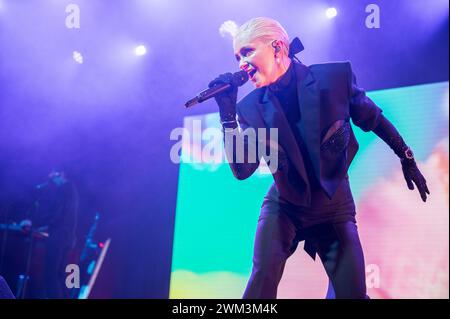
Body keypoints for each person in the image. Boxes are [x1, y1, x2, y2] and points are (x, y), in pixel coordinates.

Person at [209, 17, 429, 299]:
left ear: (277, 47)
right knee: (260, 282)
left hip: (333, 206)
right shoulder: (250, 107)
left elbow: (373, 119)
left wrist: (406, 156)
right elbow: (242, 169)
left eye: (248, 52)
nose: (241, 63)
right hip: (285, 206)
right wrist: (227, 115)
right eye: (237, 56)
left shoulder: (333, 79)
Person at [27, 169, 78, 298]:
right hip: (68, 237)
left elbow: (56, 214)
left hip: (58, 237)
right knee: (60, 276)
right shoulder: (72, 190)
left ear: (61, 174)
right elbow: (62, 217)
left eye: (53, 175)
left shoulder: (64, 189)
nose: (51, 179)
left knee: (50, 275)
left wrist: (34, 223)